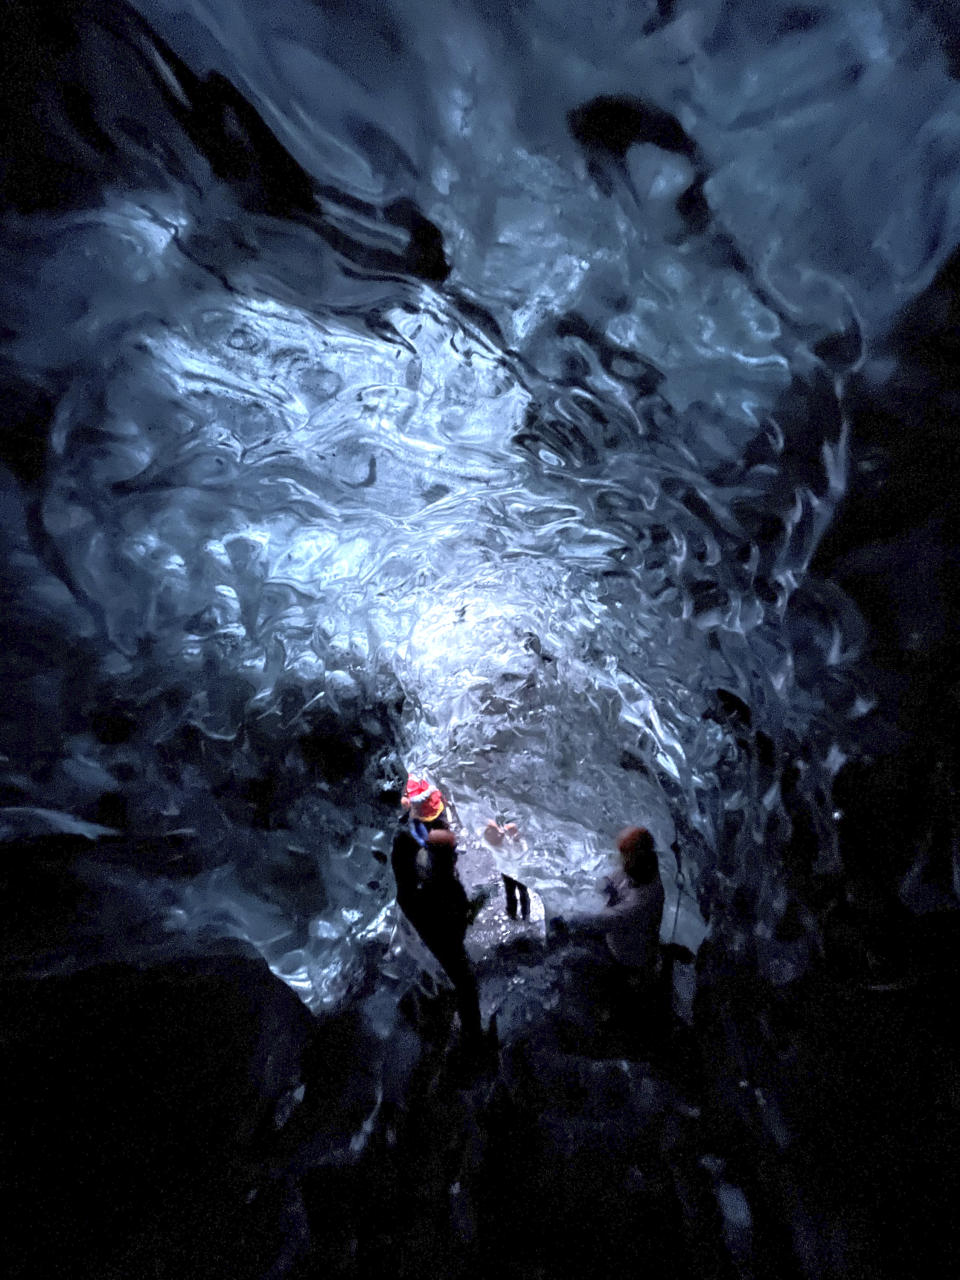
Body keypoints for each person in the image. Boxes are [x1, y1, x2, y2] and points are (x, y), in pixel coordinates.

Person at [391, 778, 483, 1043]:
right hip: (434, 920)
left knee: (463, 978)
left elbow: (413, 879)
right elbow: (444, 889)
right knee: (464, 981)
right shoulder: (439, 877)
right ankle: (471, 1036)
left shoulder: (416, 857)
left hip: (426, 910)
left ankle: (468, 1032)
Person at [576, 826, 665, 979]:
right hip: (620, 934)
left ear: (633, 858)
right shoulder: (644, 868)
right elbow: (612, 879)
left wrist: (564, 916)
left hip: (625, 959)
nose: (620, 859)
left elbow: (601, 920)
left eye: (623, 855)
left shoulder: (640, 901)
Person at [483, 816, 531, 922]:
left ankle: (523, 916)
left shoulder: (516, 840)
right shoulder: (502, 839)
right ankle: (514, 915)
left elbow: (523, 850)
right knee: (513, 892)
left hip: (517, 868)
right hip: (510, 869)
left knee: (520, 892)